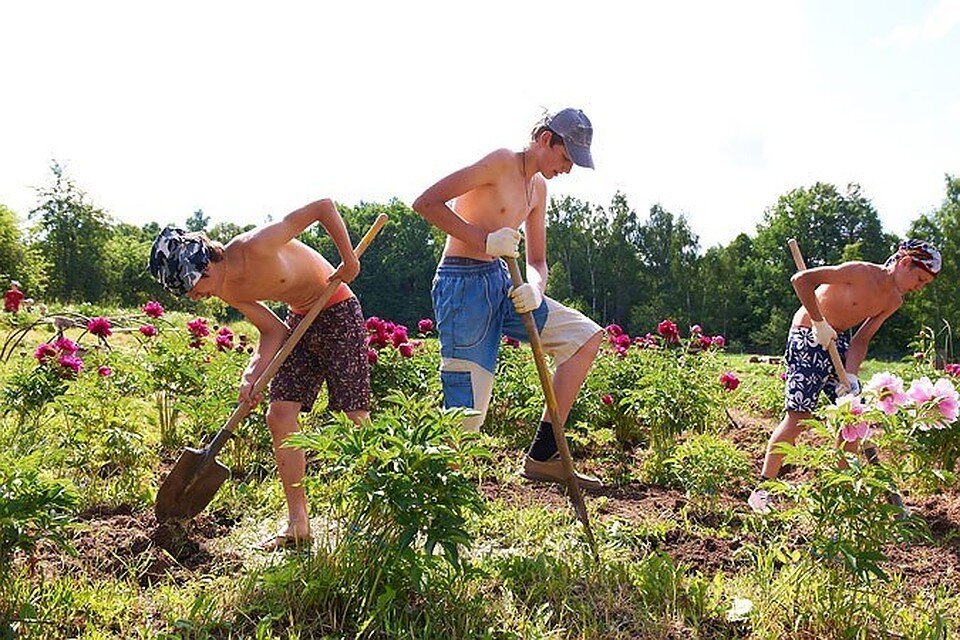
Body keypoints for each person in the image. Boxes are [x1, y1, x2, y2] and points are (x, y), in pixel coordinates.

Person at [148, 199, 370, 548]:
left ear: (206, 263)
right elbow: (273, 331)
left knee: (354, 415)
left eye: (194, 287)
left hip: (338, 309)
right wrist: (251, 376)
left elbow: (322, 208)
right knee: (279, 415)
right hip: (300, 321)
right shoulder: (226, 289)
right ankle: (298, 524)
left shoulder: (255, 247)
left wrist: (349, 258)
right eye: (190, 293)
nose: (197, 295)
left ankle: (378, 508)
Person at [413, 108, 605, 488]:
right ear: (546, 138)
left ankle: (544, 456)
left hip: (505, 284)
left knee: (584, 338)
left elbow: (537, 261)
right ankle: (435, 491)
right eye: (566, 157)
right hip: (463, 285)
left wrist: (535, 287)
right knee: (467, 414)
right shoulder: (500, 163)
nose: (567, 169)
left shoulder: (539, 188)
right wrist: (483, 240)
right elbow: (426, 203)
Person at [748, 240, 942, 513]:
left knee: (852, 419)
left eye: (925, 284)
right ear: (905, 262)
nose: (919, 287)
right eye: (920, 278)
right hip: (807, 333)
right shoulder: (860, 272)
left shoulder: (893, 300)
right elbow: (801, 280)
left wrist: (850, 376)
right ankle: (762, 490)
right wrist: (818, 321)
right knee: (800, 415)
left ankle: (837, 491)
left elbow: (861, 340)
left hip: (837, 343)